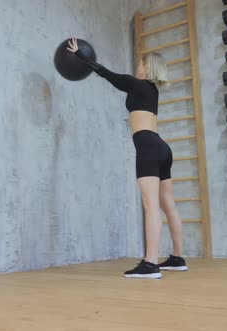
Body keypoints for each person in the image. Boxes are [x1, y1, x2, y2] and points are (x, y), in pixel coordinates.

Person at [67, 38, 188, 279]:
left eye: (141, 64)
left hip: (148, 147)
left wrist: (80, 56)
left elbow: (106, 74)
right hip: (162, 148)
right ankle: (177, 258)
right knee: (169, 206)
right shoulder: (152, 90)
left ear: (146, 68)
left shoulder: (137, 85)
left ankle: (151, 264)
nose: (138, 67)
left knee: (150, 205)